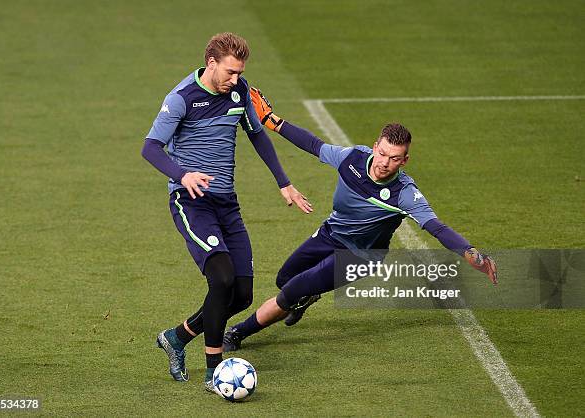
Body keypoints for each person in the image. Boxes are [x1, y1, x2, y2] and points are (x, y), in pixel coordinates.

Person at [222, 88, 498, 351]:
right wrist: (272, 121)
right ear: (375, 146)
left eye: (394, 158)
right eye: (382, 153)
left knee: (291, 291)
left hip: (359, 256)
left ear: (404, 161)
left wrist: (471, 253)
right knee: (285, 278)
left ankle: (238, 332)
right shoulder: (352, 158)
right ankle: (307, 296)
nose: (384, 163)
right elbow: (314, 145)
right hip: (331, 233)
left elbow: (438, 228)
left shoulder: (405, 194)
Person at [141, 34, 312, 390]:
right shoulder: (181, 99)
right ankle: (213, 369)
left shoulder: (239, 91)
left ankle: (176, 337)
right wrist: (182, 174)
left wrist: (284, 182)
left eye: (240, 73)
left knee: (242, 295)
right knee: (221, 278)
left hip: (226, 204)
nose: (235, 79)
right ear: (211, 62)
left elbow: (257, 134)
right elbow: (151, 148)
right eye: (231, 72)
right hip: (191, 203)